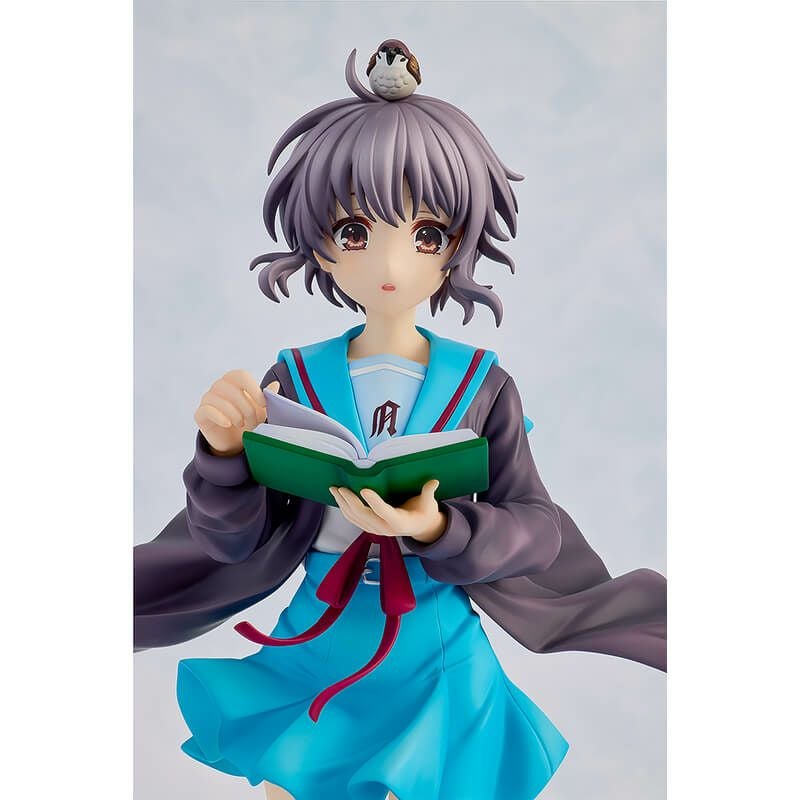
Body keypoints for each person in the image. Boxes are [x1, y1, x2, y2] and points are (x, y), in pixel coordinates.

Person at [134, 44, 666, 800]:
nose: (389, 263)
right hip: (318, 638)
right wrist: (224, 456)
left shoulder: (482, 386)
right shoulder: (294, 379)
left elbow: (537, 528)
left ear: (456, 245)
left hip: (436, 648)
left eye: (425, 235)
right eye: (356, 231)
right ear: (319, 242)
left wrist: (441, 529)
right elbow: (233, 541)